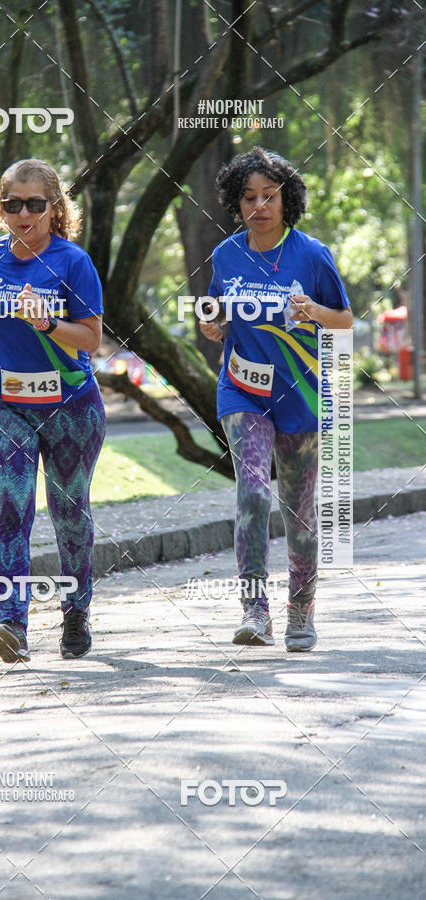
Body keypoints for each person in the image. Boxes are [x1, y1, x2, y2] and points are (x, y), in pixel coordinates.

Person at [0, 159, 105, 662]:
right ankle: (11, 625)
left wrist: (47, 325)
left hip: (69, 405)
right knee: (12, 509)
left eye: (35, 204)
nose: (23, 214)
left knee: (69, 513)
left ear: (54, 207)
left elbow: (92, 339)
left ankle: (76, 610)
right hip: (5, 403)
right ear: (0, 208)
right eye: (12, 204)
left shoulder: (72, 262)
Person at [200, 147, 353, 651]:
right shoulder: (226, 255)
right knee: (251, 490)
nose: (259, 205)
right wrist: (215, 327)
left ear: (288, 201)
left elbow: (345, 320)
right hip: (242, 387)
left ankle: (301, 608)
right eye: (249, 197)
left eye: (270, 196)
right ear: (235, 202)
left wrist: (313, 311)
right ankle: (254, 609)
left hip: (302, 393)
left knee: (299, 512)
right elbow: (220, 316)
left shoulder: (311, 254)